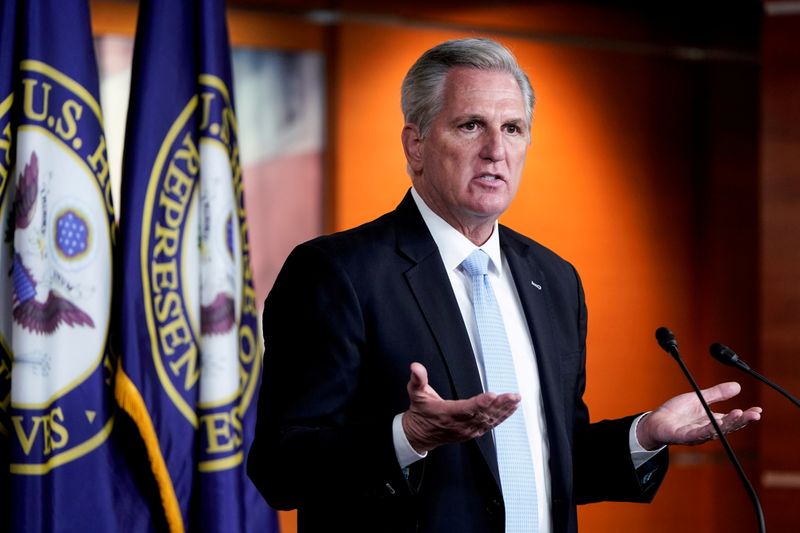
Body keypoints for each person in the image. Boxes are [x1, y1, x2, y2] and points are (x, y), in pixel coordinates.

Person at [247, 38, 761, 533]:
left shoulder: (554, 279)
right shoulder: (337, 273)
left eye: (513, 128)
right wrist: (407, 436)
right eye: (471, 125)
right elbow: (281, 468)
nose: (496, 150)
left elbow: (547, 461)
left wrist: (643, 434)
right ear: (416, 144)